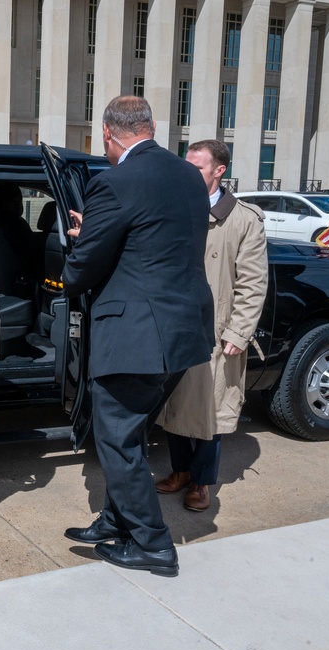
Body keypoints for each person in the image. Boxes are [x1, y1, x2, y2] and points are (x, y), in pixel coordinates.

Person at [60, 96, 214, 577]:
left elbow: (81, 270)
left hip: (137, 336)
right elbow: (154, 238)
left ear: (108, 132)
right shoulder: (188, 175)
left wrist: (80, 243)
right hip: (185, 333)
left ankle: (152, 543)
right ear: (149, 126)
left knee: (116, 439)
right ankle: (114, 521)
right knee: (131, 432)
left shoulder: (115, 182)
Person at [155, 139, 268, 512]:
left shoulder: (244, 220)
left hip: (216, 332)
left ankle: (202, 482)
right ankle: (181, 471)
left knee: (211, 410)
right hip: (175, 325)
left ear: (219, 170)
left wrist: (238, 332)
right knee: (173, 406)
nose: (188, 173)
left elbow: (253, 283)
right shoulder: (173, 207)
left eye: (198, 168)